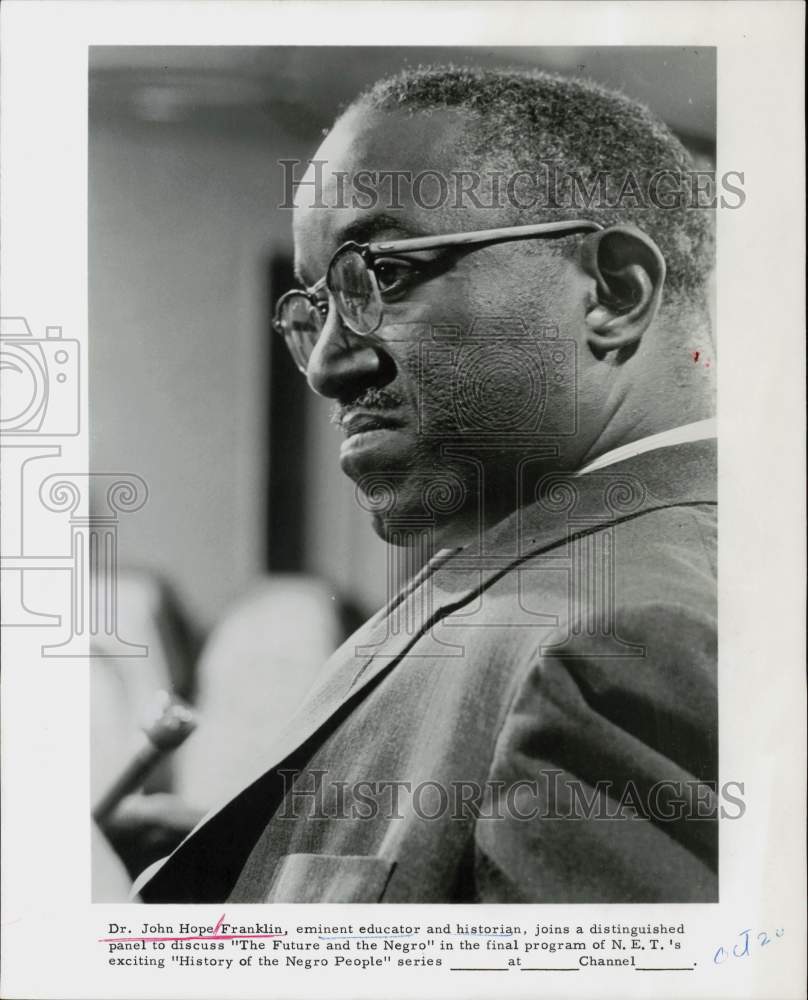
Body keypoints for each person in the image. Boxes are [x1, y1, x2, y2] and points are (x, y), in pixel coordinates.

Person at [136, 65, 717, 903]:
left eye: (383, 277)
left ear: (613, 292)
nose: (330, 366)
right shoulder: (547, 583)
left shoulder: (629, 637)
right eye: (315, 310)